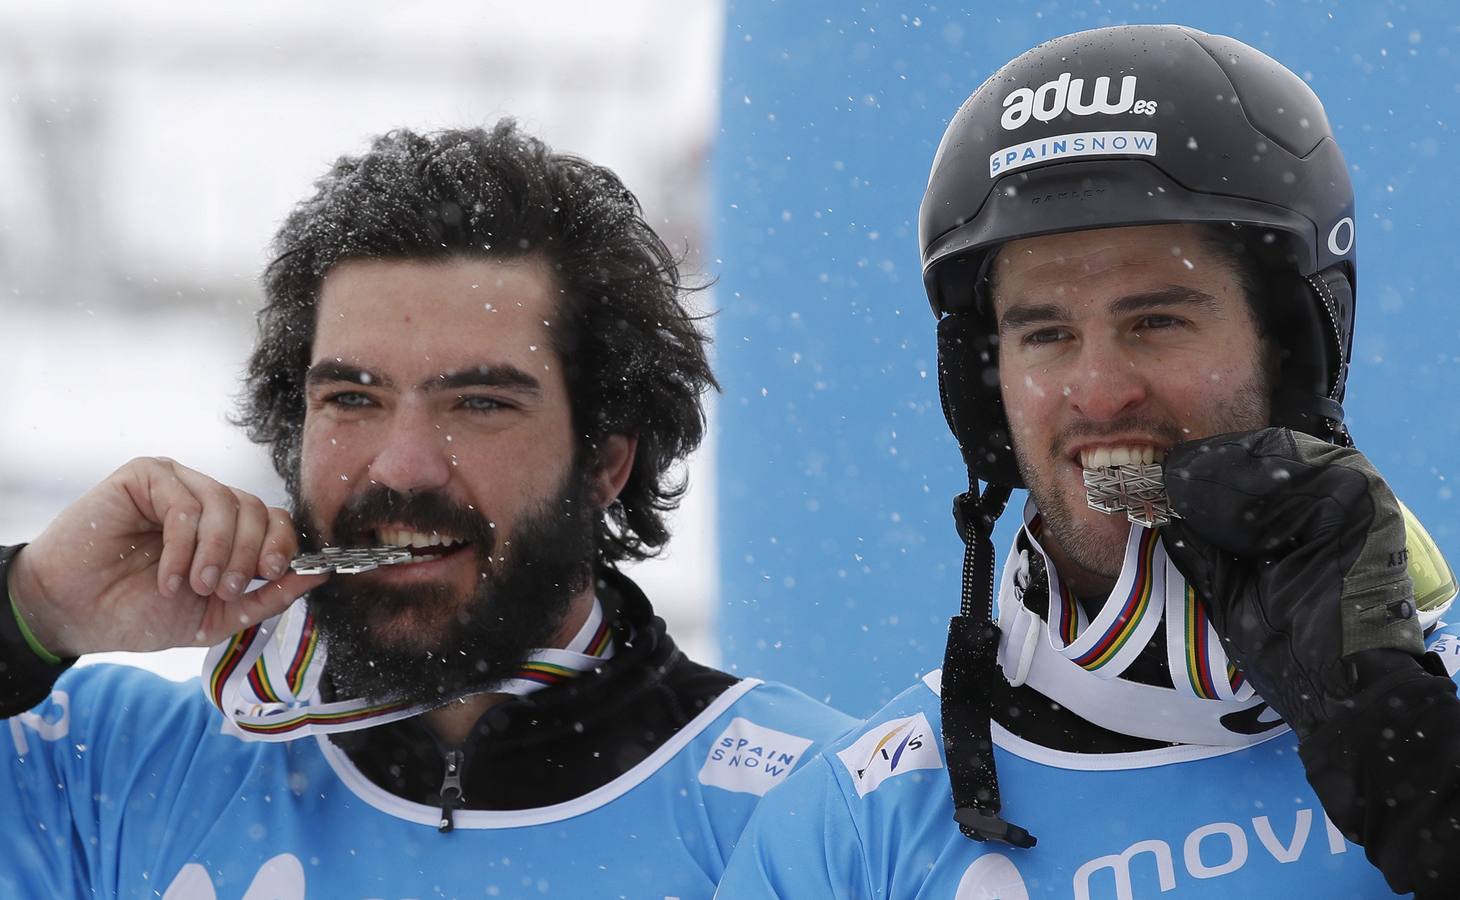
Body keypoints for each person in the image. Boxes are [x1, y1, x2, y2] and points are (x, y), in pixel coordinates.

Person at [0, 121, 854, 898]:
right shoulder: (111, 769)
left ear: (604, 460)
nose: (402, 466)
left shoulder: (823, 806)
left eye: (479, 403)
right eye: (352, 398)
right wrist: (30, 606)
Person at [718, 24, 1460, 899]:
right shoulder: (854, 831)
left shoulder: (1437, 736)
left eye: (1157, 320)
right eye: (1046, 334)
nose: (1100, 393)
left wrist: (1415, 764)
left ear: (1289, 351)